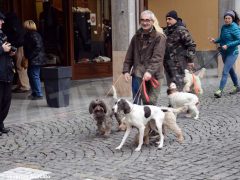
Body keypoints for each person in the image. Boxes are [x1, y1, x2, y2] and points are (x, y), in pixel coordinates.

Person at [123, 10, 166, 105]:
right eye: (142, 20)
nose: (144, 22)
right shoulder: (136, 37)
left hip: (155, 75)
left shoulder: (159, 37)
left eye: (147, 20)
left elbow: (157, 57)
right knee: (141, 101)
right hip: (139, 74)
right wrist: (126, 70)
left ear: (152, 21)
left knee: (150, 101)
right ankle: (141, 119)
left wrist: (149, 72)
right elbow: (129, 55)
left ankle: (152, 119)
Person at [209, 10, 240, 98]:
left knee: (225, 71)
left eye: (229, 18)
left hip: (232, 52)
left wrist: (228, 45)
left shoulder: (235, 27)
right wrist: (215, 41)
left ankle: (219, 90)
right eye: (225, 18)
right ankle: (237, 86)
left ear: (232, 19)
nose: (227, 20)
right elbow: (222, 38)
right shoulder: (224, 27)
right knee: (230, 70)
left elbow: (239, 40)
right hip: (224, 52)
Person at [164, 10, 197, 91]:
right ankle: (174, 102)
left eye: (169, 19)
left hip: (180, 64)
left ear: (175, 19)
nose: (167, 21)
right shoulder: (167, 31)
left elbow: (191, 45)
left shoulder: (181, 30)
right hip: (168, 64)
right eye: (166, 19)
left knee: (181, 85)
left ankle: (185, 101)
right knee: (171, 85)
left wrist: (190, 60)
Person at [3, 12, 30, 93]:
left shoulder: (12, 23)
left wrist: (13, 44)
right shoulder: (16, 23)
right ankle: (21, 84)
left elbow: (17, 36)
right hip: (19, 45)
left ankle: (24, 86)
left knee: (20, 66)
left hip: (18, 46)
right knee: (20, 65)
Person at [0, 11, 16, 135]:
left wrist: (10, 51)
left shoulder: (2, 34)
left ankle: (1, 124)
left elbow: (7, 48)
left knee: (6, 100)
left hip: (6, 72)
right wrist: (1, 49)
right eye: (0, 20)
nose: (2, 22)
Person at [23, 20, 46, 100]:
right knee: (32, 75)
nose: (24, 27)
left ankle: (38, 94)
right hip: (35, 58)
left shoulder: (33, 35)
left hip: (35, 59)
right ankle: (35, 93)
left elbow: (38, 47)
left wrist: (29, 56)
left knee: (34, 75)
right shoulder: (31, 34)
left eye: (25, 26)